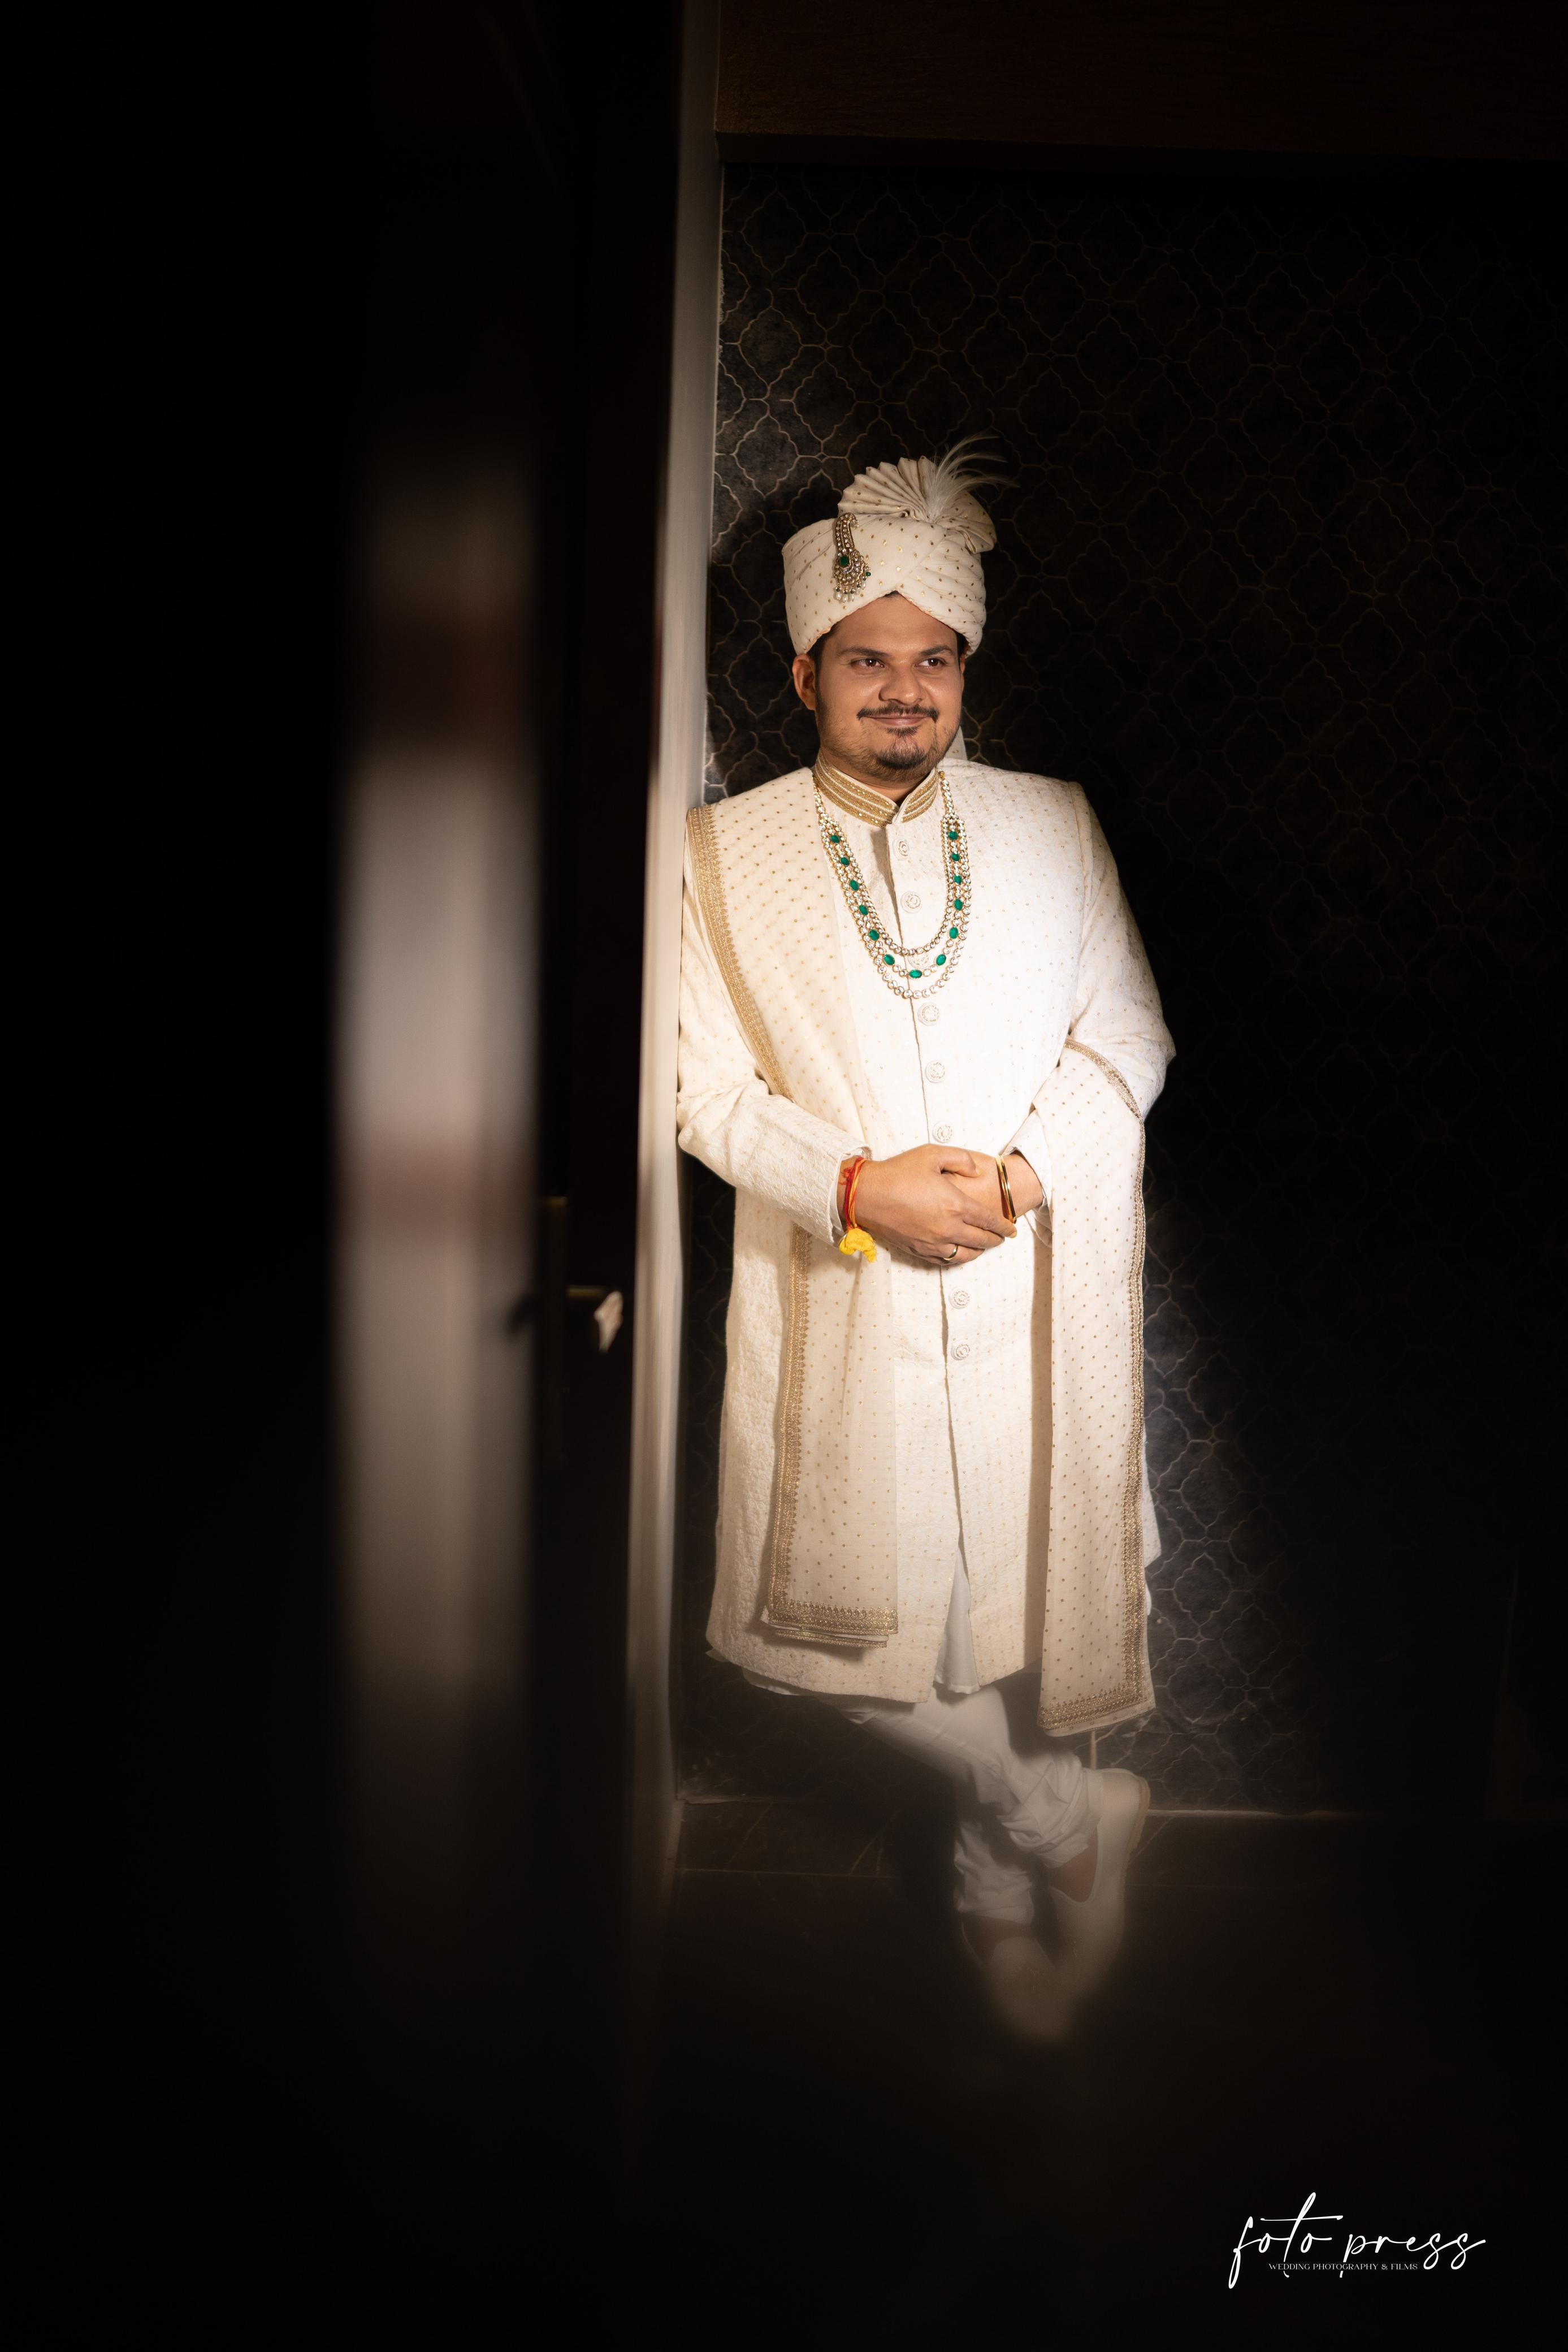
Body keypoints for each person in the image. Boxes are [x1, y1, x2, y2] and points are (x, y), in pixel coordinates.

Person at [677, 443, 1173, 2039]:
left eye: (934, 660)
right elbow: (701, 1086)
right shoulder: (717, 854)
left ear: (966, 670)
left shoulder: (1051, 822)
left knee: (998, 1611)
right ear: (807, 666)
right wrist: (855, 1185)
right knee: (830, 1629)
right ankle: (1050, 1821)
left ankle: (986, 1898)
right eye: (870, 660)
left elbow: (1129, 1039)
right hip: (841, 1286)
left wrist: (1027, 1174)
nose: (904, 690)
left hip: (1034, 1282)